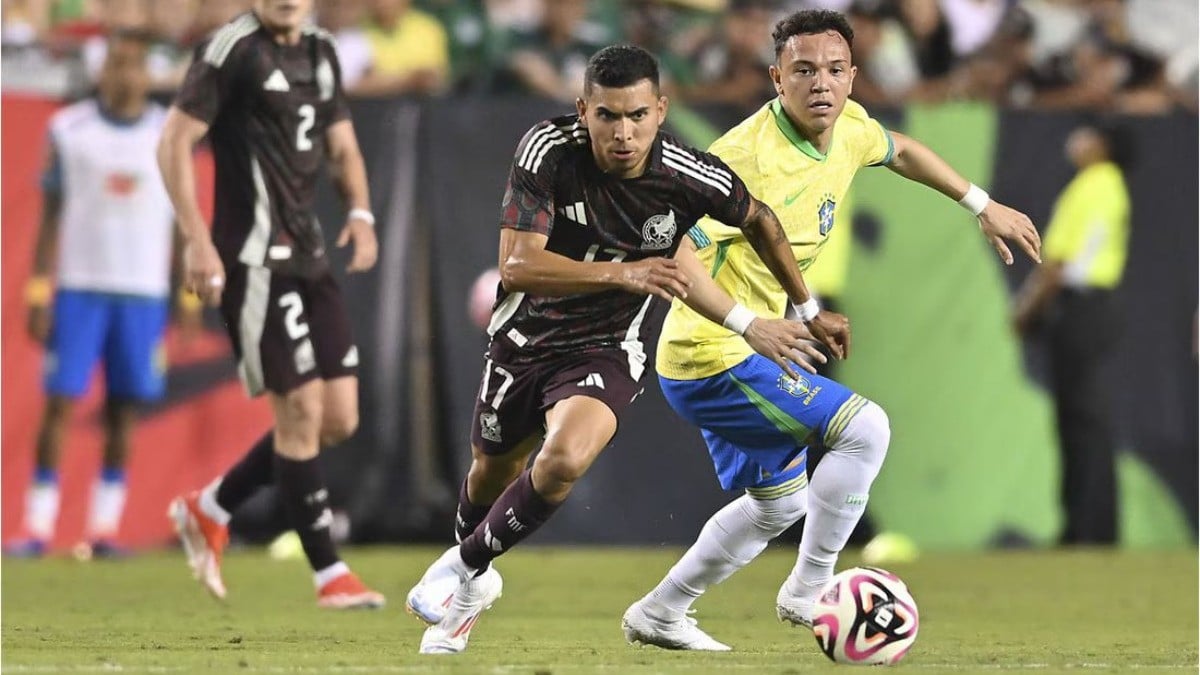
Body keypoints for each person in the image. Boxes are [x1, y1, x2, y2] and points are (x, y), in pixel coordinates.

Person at [622, 9, 1042, 651]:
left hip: (749, 345)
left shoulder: (848, 128)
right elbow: (675, 254)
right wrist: (750, 323)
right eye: (804, 71)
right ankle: (810, 587)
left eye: (835, 70)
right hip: (711, 353)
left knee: (779, 507)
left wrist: (981, 205)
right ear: (776, 78)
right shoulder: (739, 159)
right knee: (865, 429)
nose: (822, 84)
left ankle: (661, 610)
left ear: (853, 77)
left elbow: (901, 151)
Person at [405, 44, 842, 655]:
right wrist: (628, 273)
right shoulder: (548, 151)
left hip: (610, 344)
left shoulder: (689, 175)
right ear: (583, 110)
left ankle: (459, 567)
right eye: (607, 115)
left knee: (563, 459)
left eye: (637, 115)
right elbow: (518, 263)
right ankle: (473, 583)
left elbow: (761, 220)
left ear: (661, 110)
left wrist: (803, 309)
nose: (623, 132)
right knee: (491, 470)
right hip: (527, 336)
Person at [156, 0, 384, 609]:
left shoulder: (321, 51)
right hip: (251, 260)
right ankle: (328, 573)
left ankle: (210, 508)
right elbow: (174, 141)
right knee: (301, 411)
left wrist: (360, 213)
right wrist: (196, 239)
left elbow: (343, 145)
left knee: (338, 417)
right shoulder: (232, 48)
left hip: (309, 256)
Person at [4, 30, 198, 560]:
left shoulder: (166, 134)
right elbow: (50, 213)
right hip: (80, 287)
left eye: (133, 66)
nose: (124, 76)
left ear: (147, 74)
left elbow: (183, 219)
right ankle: (37, 526)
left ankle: (105, 528)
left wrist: (186, 294)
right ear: (100, 72)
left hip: (141, 293)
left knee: (124, 409)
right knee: (60, 404)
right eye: (115, 65)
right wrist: (40, 287)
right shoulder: (69, 130)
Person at [1012, 122, 1132, 545]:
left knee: (1083, 421)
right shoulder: (1104, 184)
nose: (1075, 139)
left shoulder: (1095, 184)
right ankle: (1087, 527)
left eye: (1086, 133)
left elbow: (1060, 263)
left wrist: (1026, 309)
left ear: (1102, 145)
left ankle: (1089, 530)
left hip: (1083, 309)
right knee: (1081, 420)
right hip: (1088, 309)